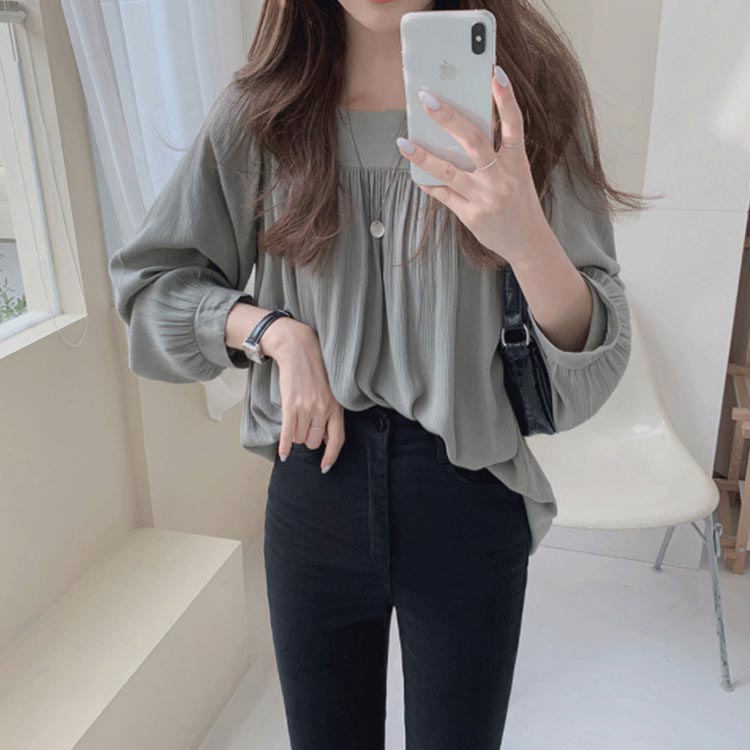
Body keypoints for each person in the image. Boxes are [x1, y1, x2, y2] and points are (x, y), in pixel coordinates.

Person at [109, 1, 641, 747]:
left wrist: (525, 238)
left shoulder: (529, 105)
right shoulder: (265, 114)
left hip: (468, 497)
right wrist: (275, 333)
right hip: (314, 490)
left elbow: (595, 360)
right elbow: (150, 293)